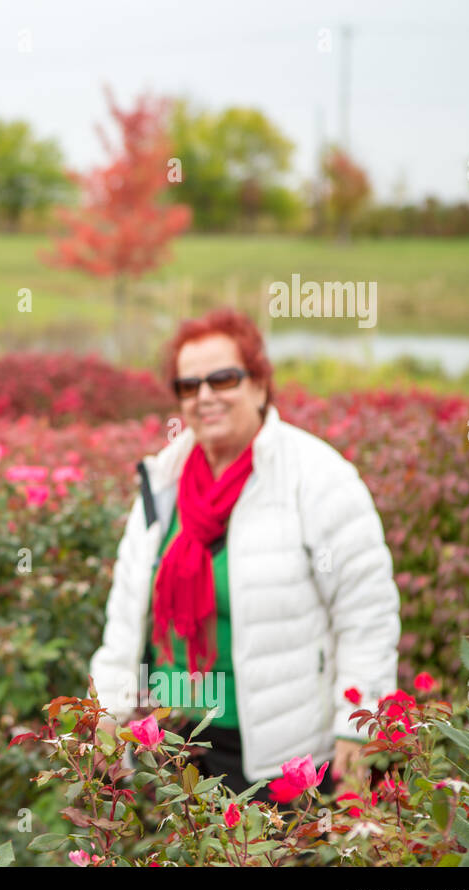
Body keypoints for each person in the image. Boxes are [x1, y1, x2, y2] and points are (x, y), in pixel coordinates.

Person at [89, 308, 400, 801]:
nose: (205, 396)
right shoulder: (163, 483)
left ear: (259, 384)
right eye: (188, 386)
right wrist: (107, 714)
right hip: (172, 741)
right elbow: (126, 618)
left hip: (279, 754)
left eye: (223, 379)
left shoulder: (317, 476)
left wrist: (357, 727)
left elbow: (366, 615)